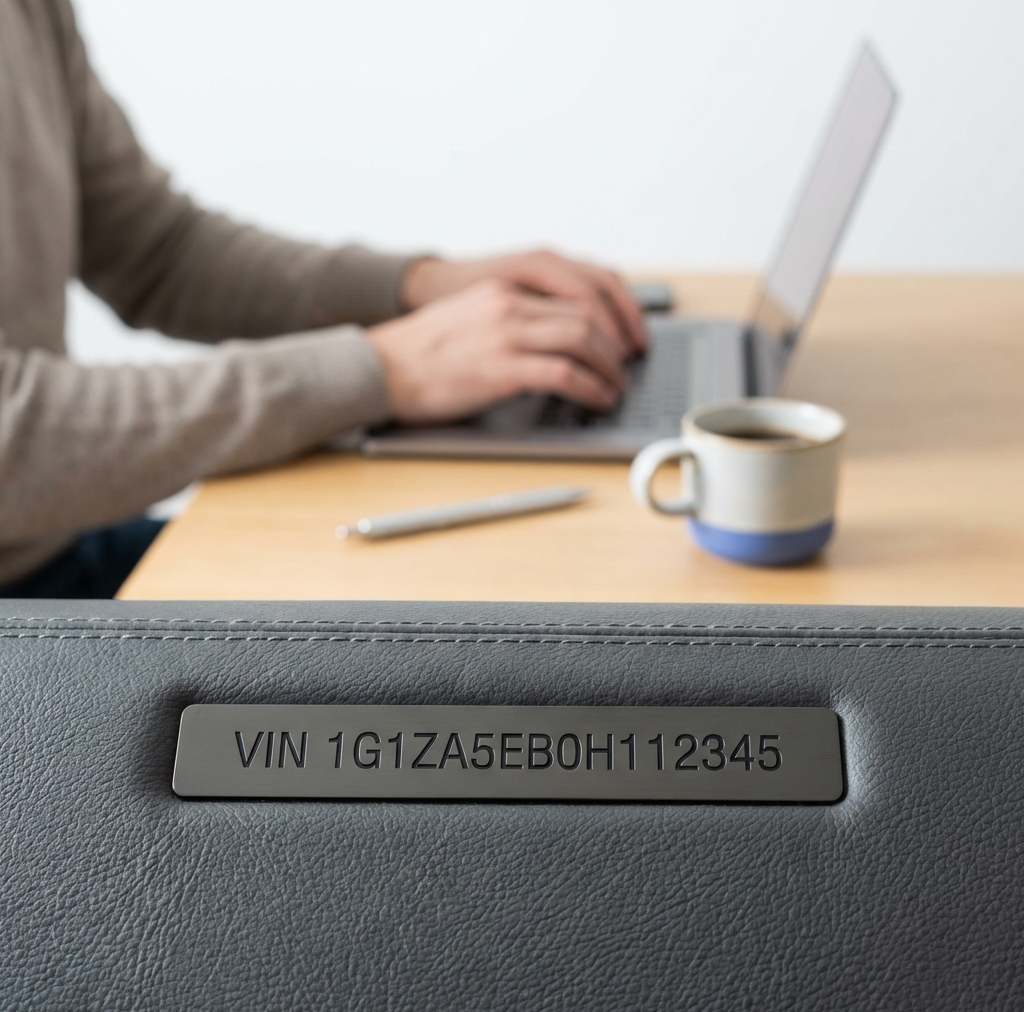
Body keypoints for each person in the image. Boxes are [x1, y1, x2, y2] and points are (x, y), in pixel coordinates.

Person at [0, 0, 646, 598]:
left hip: (64, 550)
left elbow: (157, 251)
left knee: (459, 590)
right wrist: (382, 371)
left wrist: (414, 288)